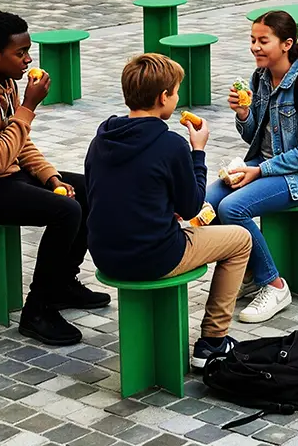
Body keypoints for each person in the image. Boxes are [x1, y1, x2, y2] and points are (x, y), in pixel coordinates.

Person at [0, 11, 108, 346]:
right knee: (65, 211)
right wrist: (28, 106)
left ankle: (62, 284)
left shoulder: (3, 83)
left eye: (28, 51)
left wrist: (51, 177)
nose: (29, 60)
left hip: (0, 178)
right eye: (21, 53)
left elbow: (20, 144)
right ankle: (38, 310)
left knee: (88, 189)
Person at [85, 54, 253, 369]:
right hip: (154, 254)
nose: (177, 99)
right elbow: (191, 206)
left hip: (104, 253)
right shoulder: (171, 144)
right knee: (241, 240)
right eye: (176, 92)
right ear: (163, 97)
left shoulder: (102, 137)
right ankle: (213, 342)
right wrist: (198, 151)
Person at [207, 10, 298, 323]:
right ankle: (250, 274)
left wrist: (259, 171)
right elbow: (254, 135)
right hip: (264, 164)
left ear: (287, 44)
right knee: (207, 203)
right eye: (253, 40)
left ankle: (275, 286)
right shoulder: (260, 78)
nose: (255, 47)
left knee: (233, 208)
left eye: (263, 41)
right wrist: (243, 113)